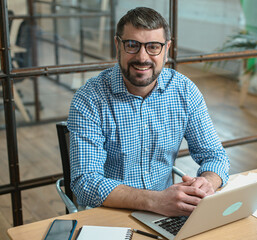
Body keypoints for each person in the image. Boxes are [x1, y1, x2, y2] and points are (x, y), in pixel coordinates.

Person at [67, 7, 230, 217]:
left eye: (153, 46)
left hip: (168, 211)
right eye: (132, 45)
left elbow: (215, 156)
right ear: (118, 45)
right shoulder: (89, 99)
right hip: (111, 213)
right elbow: (86, 183)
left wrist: (206, 183)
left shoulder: (184, 90)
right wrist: (156, 200)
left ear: (167, 48)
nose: (142, 57)